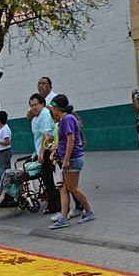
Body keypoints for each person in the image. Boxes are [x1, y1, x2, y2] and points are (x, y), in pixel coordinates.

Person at [48, 95, 95, 229]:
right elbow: (64, 141)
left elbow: (71, 139)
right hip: (69, 158)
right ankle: (64, 217)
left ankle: (88, 211)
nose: (52, 112)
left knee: (73, 188)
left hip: (73, 159)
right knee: (67, 188)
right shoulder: (65, 119)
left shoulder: (67, 119)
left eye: (53, 108)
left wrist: (67, 159)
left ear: (57, 108)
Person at [0, 110, 13, 204]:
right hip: (1, 152)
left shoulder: (5, 129)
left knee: (5, 173)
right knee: (3, 173)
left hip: (4, 153)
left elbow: (7, 142)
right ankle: (5, 193)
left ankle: (7, 194)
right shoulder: (2, 129)